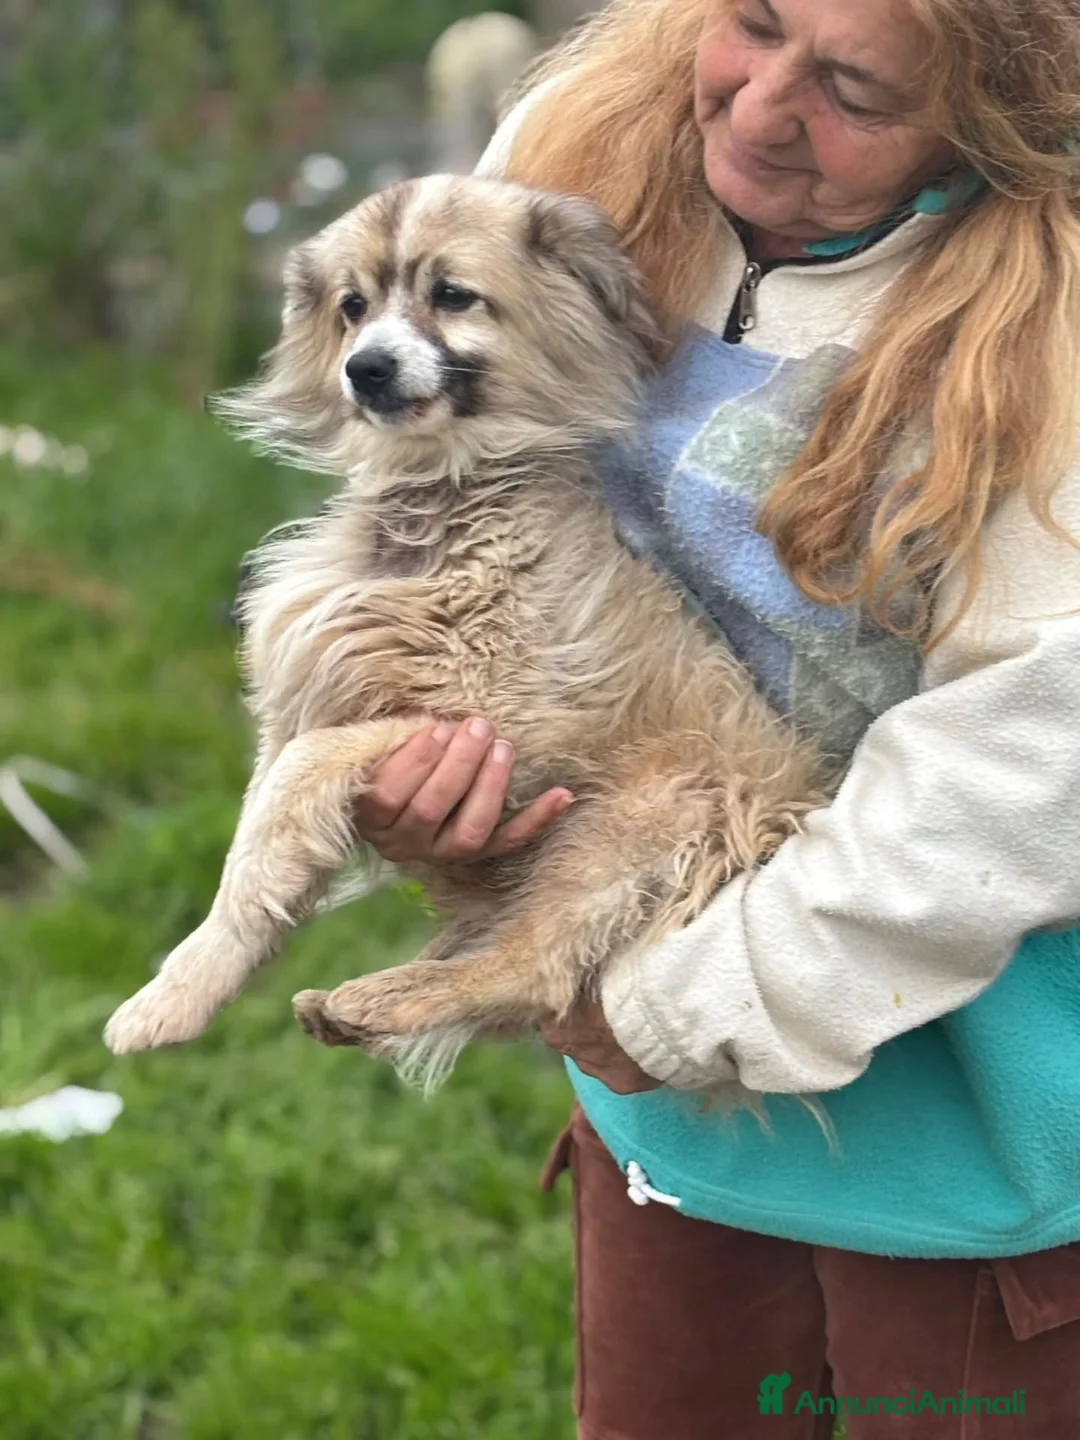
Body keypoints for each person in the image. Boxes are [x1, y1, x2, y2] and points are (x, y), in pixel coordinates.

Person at [351, 0, 1080, 1434]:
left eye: (856, 91)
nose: (756, 109)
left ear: (994, 118)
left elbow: (1036, 750)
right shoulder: (581, 156)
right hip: (662, 1110)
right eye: (751, 22)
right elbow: (440, 485)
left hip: (969, 1151)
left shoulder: (1048, 320)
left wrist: (682, 1002)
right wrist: (430, 777)